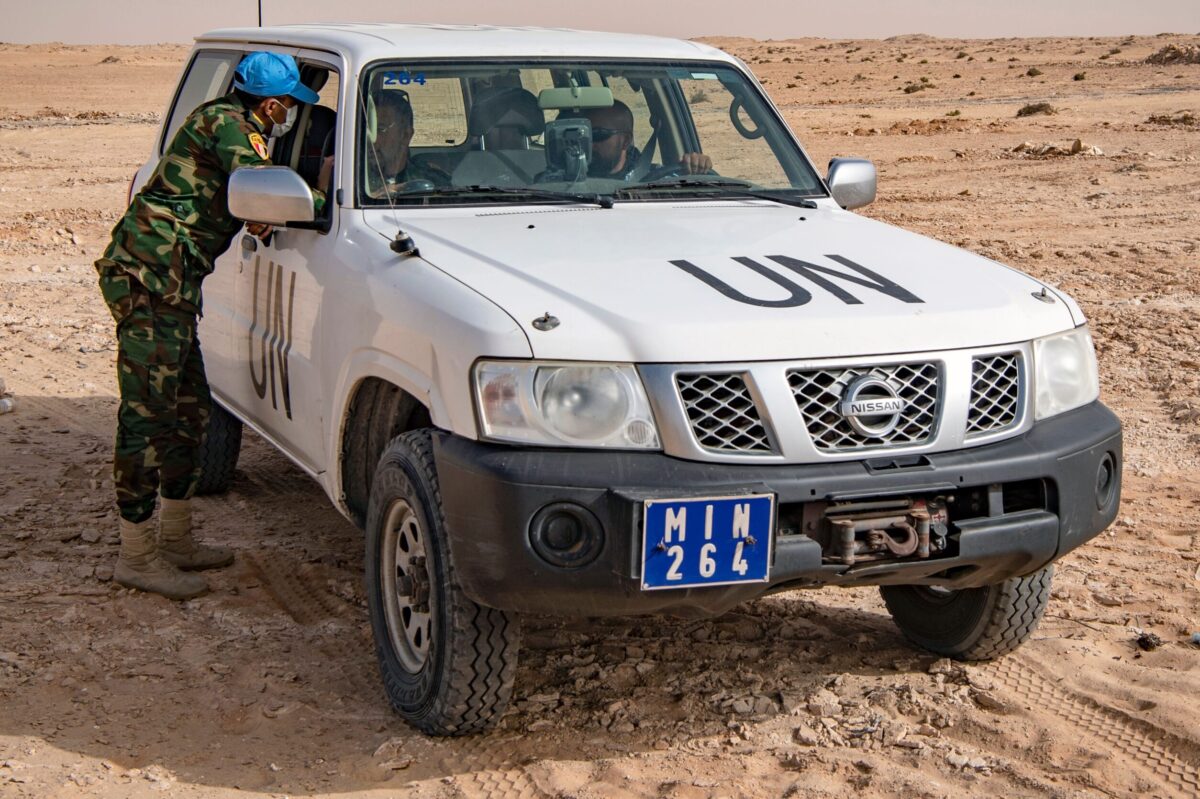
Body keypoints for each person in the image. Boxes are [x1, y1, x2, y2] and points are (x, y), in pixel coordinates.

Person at [94, 51, 326, 600]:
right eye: (290, 105)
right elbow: (261, 181)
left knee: (191, 410)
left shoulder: (233, 125)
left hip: (174, 283)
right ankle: (137, 554)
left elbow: (241, 197)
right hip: (150, 279)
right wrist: (333, 202)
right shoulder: (227, 125)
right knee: (148, 415)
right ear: (271, 103)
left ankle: (175, 539)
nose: (290, 114)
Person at [580, 100, 713, 180]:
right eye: (583, 135)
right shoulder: (561, 179)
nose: (589, 143)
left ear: (625, 141)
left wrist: (698, 166)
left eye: (598, 135)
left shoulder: (657, 178)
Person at [363, 88, 447, 197]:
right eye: (366, 131)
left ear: (405, 135)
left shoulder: (432, 180)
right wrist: (374, 197)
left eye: (380, 129)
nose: (370, 140)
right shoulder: (352, 178)